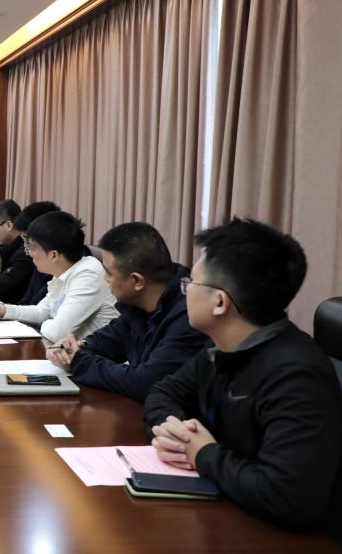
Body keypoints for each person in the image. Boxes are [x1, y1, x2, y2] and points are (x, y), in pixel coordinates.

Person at [145, 218, 342, 535]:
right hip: (229, 511)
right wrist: (176, 431)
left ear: (219, 302)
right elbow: (163, 392)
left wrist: (203, 453)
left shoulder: (296, 375)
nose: (185, 291)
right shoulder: (220, 349)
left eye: (191, 283)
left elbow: (287, 497)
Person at [46, 222, 208, 401]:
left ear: (137, 281)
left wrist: (79, 361)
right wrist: (73, 348)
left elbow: (145, 383)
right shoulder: (137, 304)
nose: (105, 278)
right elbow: (107, 341)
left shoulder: (189, 317)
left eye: (108, 273)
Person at [0, 211, 118, 345]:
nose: (29, 253)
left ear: (54, 255)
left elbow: (58, 332)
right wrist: (3, 310)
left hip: (95, 357)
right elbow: (41, 312)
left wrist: (47, 322)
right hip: (66, 352)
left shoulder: (88, 275)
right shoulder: (65, 270)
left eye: (32, 248)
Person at [12, 201, 61, 305]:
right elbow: (28, 301)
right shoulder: (41, 259)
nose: (26, 246)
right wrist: (3, 310)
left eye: (27, 239)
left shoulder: (67, 264)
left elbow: (45, 311)